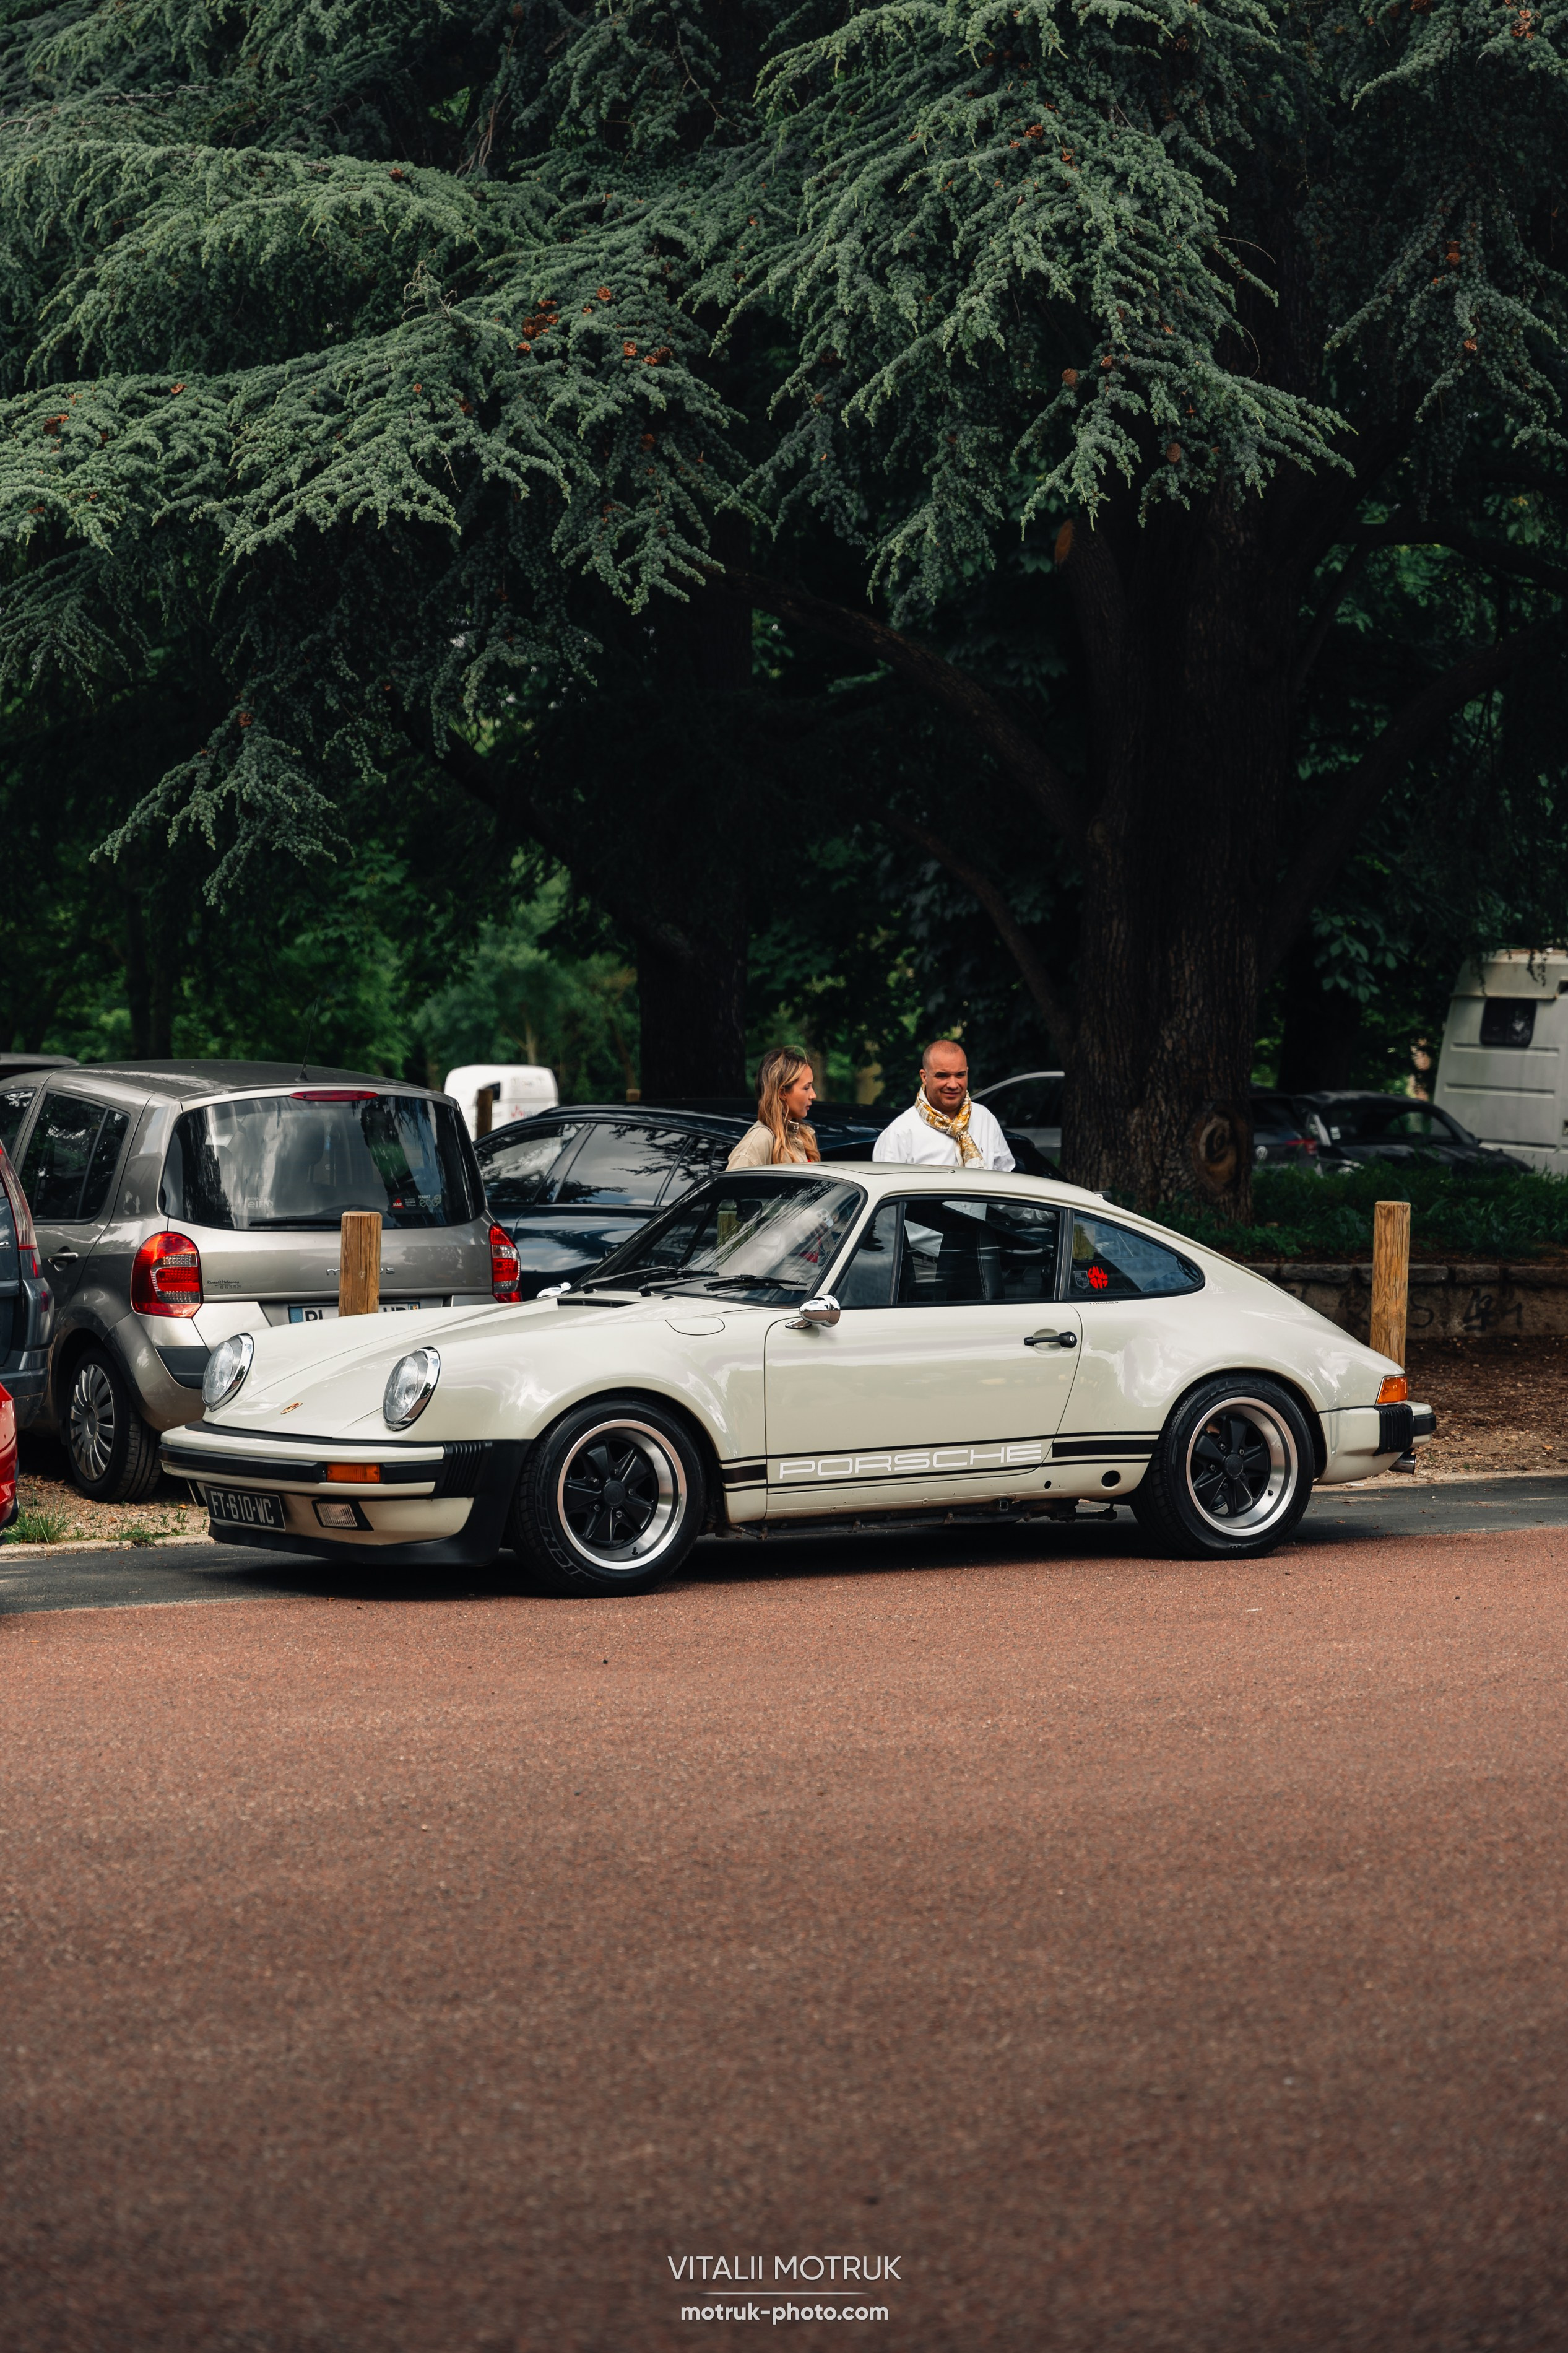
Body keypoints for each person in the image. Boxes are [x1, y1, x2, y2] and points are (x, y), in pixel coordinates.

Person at [872, 1039, 1014, 1169]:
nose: (953, 1085)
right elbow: (885, 1191)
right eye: (943, 1076)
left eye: (960, 1075)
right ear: (924, 1077)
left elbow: (1005, 1178)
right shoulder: (899, 1134)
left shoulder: (985, 1119)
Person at [726, 1046, 822, 1168]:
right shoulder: (758, 1143)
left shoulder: (805, 1134)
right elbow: (732, 1186)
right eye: (807, 1088)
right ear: (782, 1093)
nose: (814, 1095)